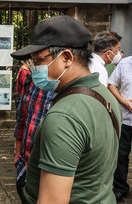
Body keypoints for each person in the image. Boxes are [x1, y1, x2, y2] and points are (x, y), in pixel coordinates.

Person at [11, 15, 122, 203]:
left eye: (38, 61)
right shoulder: (105, 96)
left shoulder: (64, 116)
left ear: (67, 58)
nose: (34, 69)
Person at [13, 61, 55, 203]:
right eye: (33, 59)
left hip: (46, 173)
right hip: (24, 167)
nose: (35, 64)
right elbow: (22, 118)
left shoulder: (65, 90)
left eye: (40, 59)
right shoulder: (34, 82)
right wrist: (18, 153)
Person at [108, 55, 132, 202]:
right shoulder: (124, 63)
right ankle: (120, 188)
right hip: (125, 119)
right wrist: (123, 101)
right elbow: (111, 84)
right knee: (121, 155)